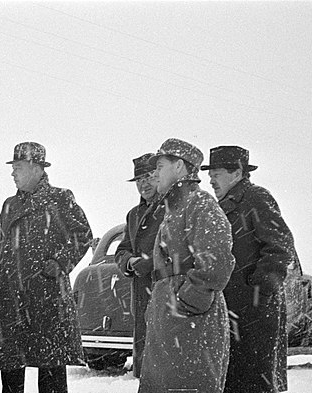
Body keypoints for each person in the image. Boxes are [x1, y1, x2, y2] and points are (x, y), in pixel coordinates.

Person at [0, 142, 93, 393]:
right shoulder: (9, 204)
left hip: (46, 297)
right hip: (11, 297)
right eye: (13, 167)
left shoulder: (60, 198)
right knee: (11, 368)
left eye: (18, 167)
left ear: (36, 168)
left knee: (51, 371)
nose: (12, 173)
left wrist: (59, 263)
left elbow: (83, 234)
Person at [138, 138, 235, 393]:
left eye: (159, 166)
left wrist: (187, 302)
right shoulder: (174, 208)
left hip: (190, 326)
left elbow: (216, 263)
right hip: (172, 322)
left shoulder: (200, 204)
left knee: (185, 386)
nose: (154, 174)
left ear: (179, 167)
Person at [201, 145, 298, 393]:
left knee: (254, 380)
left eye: (217, 173)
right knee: (233, 378)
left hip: (255, 311)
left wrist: (259, 289)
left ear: (237, 173)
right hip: (232, 307)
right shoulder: (220, 206)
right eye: (210, 174)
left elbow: (281, 246)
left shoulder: (256, 198)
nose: (211, 179)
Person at [114, 153, 163, 378]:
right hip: (141, 296)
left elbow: (179, 250)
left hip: (166, 293)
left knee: (164, 362)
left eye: (148, 177)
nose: (143, 184)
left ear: (159, 176)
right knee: (145, 368)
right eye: (139, 180)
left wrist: (149, 264)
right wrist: (130, 262)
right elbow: (121, 249)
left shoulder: (171, 209)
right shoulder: (133, 215)